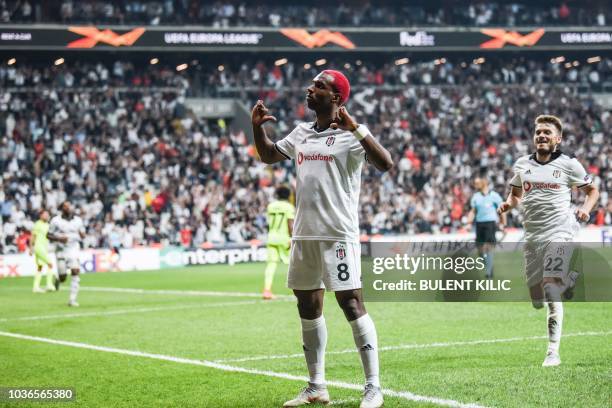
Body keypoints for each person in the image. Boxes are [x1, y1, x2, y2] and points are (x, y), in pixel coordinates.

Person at [251, 69, 393, 408]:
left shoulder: (351, 135)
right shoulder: (301, 132)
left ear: (337, 98)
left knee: (352, 304)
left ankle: (373, 387)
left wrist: (356, 128)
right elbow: (269, 155)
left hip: (337, 234)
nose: (310, 89)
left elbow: (385, 163)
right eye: (313, 84)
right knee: (308, 306)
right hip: (304, 235)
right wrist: (257, 128)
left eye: (319, 86)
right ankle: (316, 386)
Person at [498, 115, 599, 367]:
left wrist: (586, 208)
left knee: (550, 286)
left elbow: (592, 191)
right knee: (536, 299)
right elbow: (515, 195)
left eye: (546, 132)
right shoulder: (522, 165)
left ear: (558, 138)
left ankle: (553, 352)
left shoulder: (569, 164)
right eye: (538, 132)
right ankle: (569, 279)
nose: (541, 136)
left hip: (560, 232)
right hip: (533, 236)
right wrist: (508, 204)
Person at [466, 177, 505, 278]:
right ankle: (489, 265)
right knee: (480, 250)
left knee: (488, 248)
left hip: (490, 223)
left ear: (484, 182)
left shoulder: (494, 196)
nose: (475, 185)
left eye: (477, 182)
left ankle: (488, 273)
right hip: (479, 224)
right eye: (475, 183)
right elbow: (473, 211)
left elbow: (502, 210)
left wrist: (502, 223)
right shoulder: (476, 197)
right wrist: (469, 223)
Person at [49, 201, 86, 307]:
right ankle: (58, 279)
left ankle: (72, 300)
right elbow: (48, 235)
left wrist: (82, 234)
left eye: (70, 206)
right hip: (61, 250)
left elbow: (83, 234)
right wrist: (59, 239)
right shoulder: (55, 221)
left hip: (73, 249)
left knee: (75, 271)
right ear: (62, 209)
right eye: (66, 206)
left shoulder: (78, 220)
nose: (69, 208)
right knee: (63, 277)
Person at [263, 185, 295, 300]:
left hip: (271, 237)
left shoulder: (270, 206)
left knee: (271, 265)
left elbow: (269, 223)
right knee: (293, 264)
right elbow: (290, 223)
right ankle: (298, 290)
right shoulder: (289, 207)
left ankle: (267, 290)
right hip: (284, 238)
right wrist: (292, 238)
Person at [29, 209, 57, 292]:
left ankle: (35, 287)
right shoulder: (38, 224)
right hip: (38, 247)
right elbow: (33, 236)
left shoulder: (48, 225)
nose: (47, 216)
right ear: (40, 216)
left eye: (47, 215)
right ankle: (49, 285)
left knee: (40, 267)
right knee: (50, 264)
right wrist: (31, 248)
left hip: (44, 247)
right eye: (45, 215)